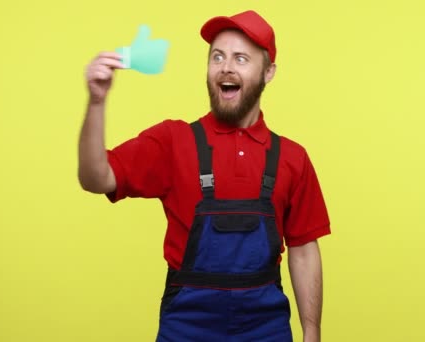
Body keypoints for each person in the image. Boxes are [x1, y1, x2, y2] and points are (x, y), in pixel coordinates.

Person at [78, 10, 330, 342]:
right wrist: (97, 102)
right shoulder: (172, 141)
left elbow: (303, 250)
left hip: (265, 328)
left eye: (241, 58)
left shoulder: (292, 158)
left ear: (268, 72)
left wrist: (312, 333)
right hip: (186, 326)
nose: (226, 67)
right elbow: (96, 178)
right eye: (217, 57)